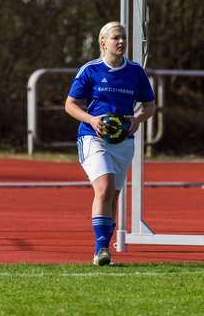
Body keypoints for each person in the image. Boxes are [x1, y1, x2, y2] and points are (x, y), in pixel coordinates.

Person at [65, 21, 155, 266]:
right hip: (92, 137)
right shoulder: (90, 70)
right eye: (116, 37)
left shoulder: (136, 71)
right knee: (104, 188)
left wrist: (137, 119)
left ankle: (104, 248)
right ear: (103, 43)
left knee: (113, 196)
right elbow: (70, 104)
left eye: (123, 37)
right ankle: (101, 249)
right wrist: (92, 120)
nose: (121, 42)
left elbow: (150, 106)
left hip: (124, 141)